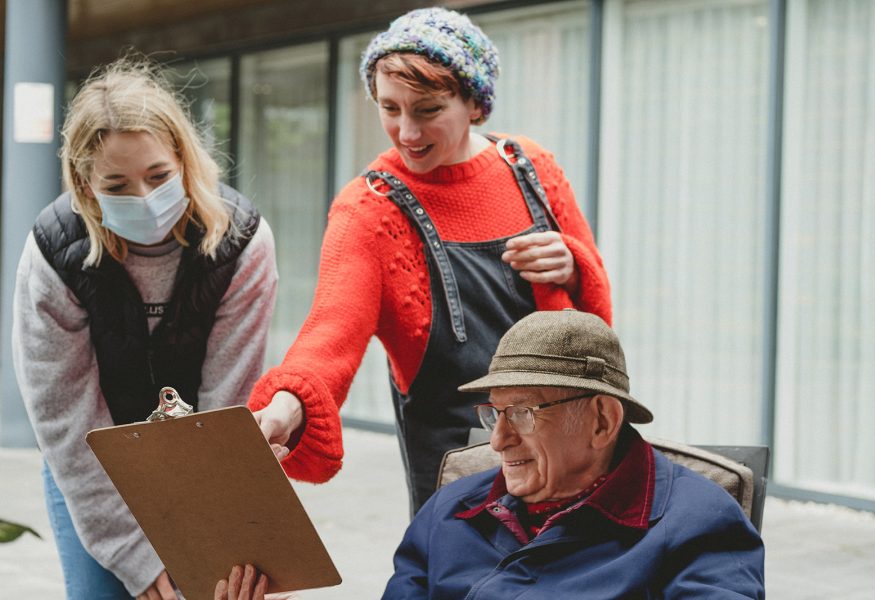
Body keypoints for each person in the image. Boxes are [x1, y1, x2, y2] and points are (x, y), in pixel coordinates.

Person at [250, 6, 613, 514]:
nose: (407, 132)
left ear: (474, 104)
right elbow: (331, 331)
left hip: (568, 447)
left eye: (427, 109)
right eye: (390, 108)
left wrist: (573, 265)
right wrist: (288, 405)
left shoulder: (531, 167)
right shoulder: (368, 208)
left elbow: (599, 321)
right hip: (459, 467)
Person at [12, 57, 278, 600]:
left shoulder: (242, 242)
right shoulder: (54, 255)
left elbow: (228, 407)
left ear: (182, 156)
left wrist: (208, 545)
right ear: (87, 188)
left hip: (204, 458)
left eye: (158, 177)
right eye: (117, 184)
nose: (143, 197)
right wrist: (136, 557)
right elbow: (66, 420)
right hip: (93, 462)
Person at [382, 309, 765, 598]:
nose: (498, 441)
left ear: (602, 420)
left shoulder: (698, 522)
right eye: (494, 413)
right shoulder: (450, 509)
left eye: (521, 414)